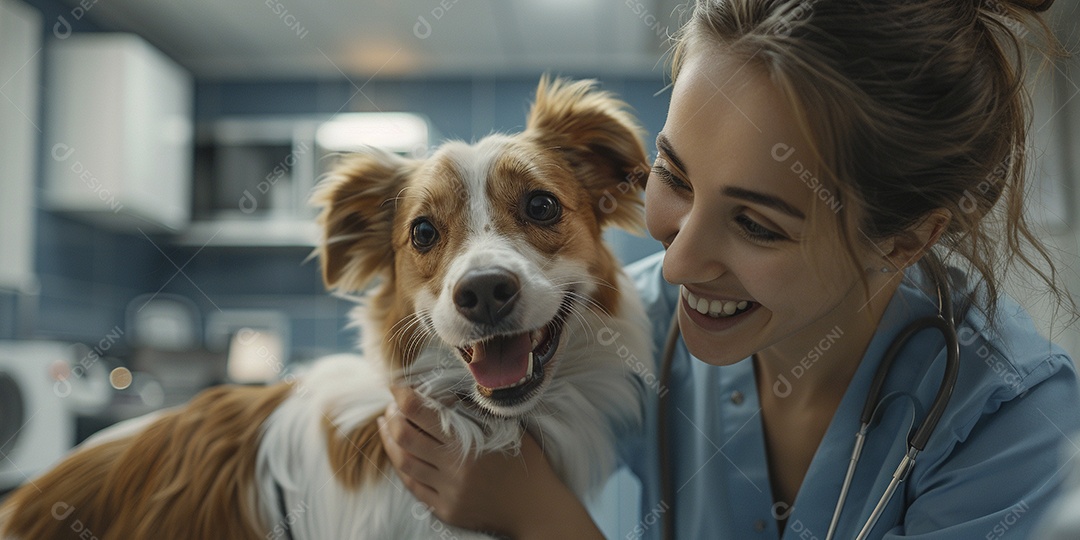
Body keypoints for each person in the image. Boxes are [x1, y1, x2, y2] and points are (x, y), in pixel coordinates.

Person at [378, 0, 1080, 538]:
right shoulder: (634, 322)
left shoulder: (1016, 431)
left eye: (756, 224)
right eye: (675, 178)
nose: (676, 263)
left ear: (902, 241)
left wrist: (543, 518)